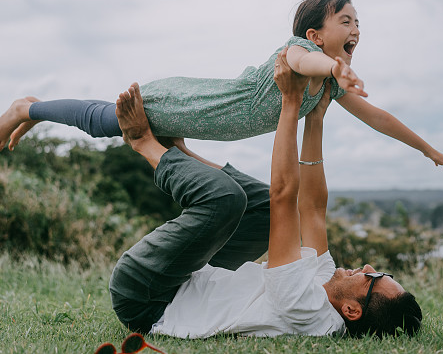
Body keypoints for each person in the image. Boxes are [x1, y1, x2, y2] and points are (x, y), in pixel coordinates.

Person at [108, 51, 422, 338]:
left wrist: (290, 101)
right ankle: (178, 151)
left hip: (147, 297)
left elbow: (285, 194)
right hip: (190, 277)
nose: (367, 267)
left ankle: (143, 141)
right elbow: (311, 208)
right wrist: (316, 114)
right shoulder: (328, 290)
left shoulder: (306, 311)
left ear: (353, 310)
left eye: (374, 278)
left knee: (225, 199)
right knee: (263, 211)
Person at [0, 0, 443, 172]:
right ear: (316, 33)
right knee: (105, 122)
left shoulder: (333, 84)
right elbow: (306, 64)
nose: (355, 30)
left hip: (200, 109)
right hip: (189, 104)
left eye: (358, 23)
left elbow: (378, 117)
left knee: (118, 127)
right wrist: (337, 65)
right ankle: (27, 108)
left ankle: (33, 109)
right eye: (346, 21)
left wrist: (427, 150)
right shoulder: (299, 53)